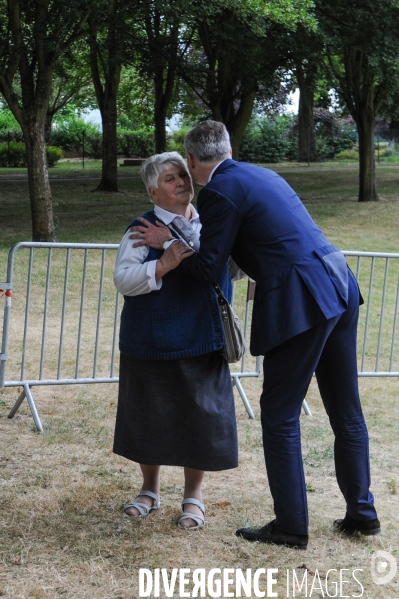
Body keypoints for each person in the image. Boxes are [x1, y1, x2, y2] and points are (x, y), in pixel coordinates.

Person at [132, 122, 380, 549]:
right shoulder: (262, 174)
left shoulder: (220, 192)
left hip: (303, 296)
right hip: (338, 279)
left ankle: (289, 526)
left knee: (280, 414)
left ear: (191, 163)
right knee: (346, 409)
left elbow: (209, 269)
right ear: (229, 149)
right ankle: (362, 515)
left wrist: (165, 239)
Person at [113, 151, 238, 531]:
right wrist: (162, 264)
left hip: (202, 337)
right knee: (149, 416)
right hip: (150, 340)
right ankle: (149, 491)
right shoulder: (139, 229)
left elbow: (227, 264)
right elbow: (123, 280)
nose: (182, 182)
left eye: (183, 175)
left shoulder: (211, 223)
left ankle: (193, 497)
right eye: (170, 179)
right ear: (153, 190)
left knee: (199, 419)